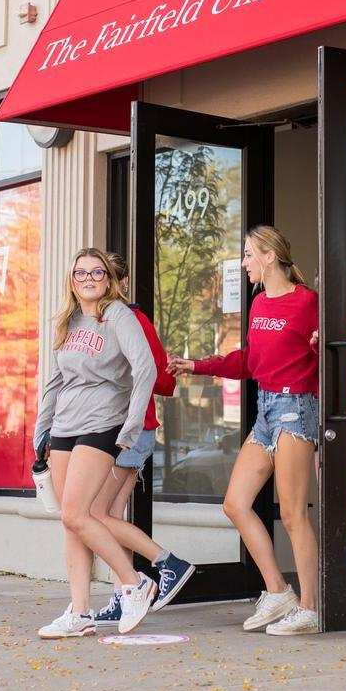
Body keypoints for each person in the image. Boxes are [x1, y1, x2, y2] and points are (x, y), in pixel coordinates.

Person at [167, 226, 319, 636]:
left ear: (269, 256)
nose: (245, 262)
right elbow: (250, 361)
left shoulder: (307, 303)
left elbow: (332, 357)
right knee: (235, 503)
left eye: (249, 254)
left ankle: (310, 607)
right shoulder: (258, 303)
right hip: (266, 409)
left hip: (296, 407)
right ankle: (278, 592)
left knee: (291, 513)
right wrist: (197, 365)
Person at [33, 247, 158, 639]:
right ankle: (81, 612)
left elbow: (146, 368)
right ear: (72, 280)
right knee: (72, 523)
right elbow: (56, 380)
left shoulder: (119, 315)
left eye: (96, 272)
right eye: (81, 273)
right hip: (65, 426)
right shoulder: (68, 320)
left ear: (108, 278)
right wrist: (42, 430)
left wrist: (133, 424)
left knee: (76, 512)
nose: (88, 279)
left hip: (103, 422)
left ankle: (133, 583)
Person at [89, 253, 195, 627]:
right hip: (118, 431)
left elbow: (162, 379)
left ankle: (167, 563)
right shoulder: (99, 322)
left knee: (94, 514)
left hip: (130, 431)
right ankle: (124, 592)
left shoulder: (131, 319)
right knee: (107, 516)